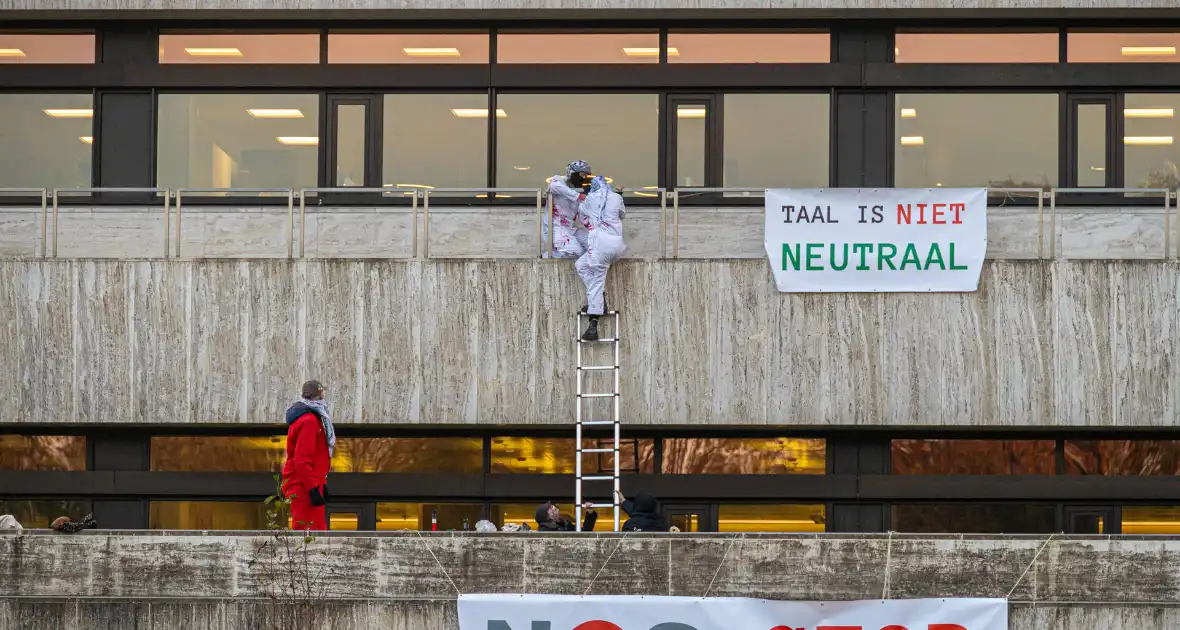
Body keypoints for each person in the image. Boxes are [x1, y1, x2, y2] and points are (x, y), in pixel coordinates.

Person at [575, 175, 627, 341]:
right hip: (616, 245)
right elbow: (622, 215)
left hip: (600, 247)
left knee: (596, 282)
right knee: (580, 266)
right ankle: (598, 301)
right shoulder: (616, 198)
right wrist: (619, 194)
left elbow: (582, 215)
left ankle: (593, 326)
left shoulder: (590, 199)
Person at [282, 380, 335, 531]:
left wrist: (320, 484)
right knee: (309, 532)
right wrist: (312, 488)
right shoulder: (310, 421)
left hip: (306, 483)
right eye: (322, 393)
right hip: (303, 486)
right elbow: (302, 460)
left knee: (314, 529)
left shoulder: (308, 418)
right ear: (319, 394)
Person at [545, 160, 593, 259]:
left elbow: (581, 211)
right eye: (582, 175)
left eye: (585, 176)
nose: (583, 178)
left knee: (594, 244)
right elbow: (553, 186)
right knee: (576, 251)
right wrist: (578, 196)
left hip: (571, 227)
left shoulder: (576, 189)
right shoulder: (558, 181)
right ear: (572, 173)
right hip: (557, 228)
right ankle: (547, 255)